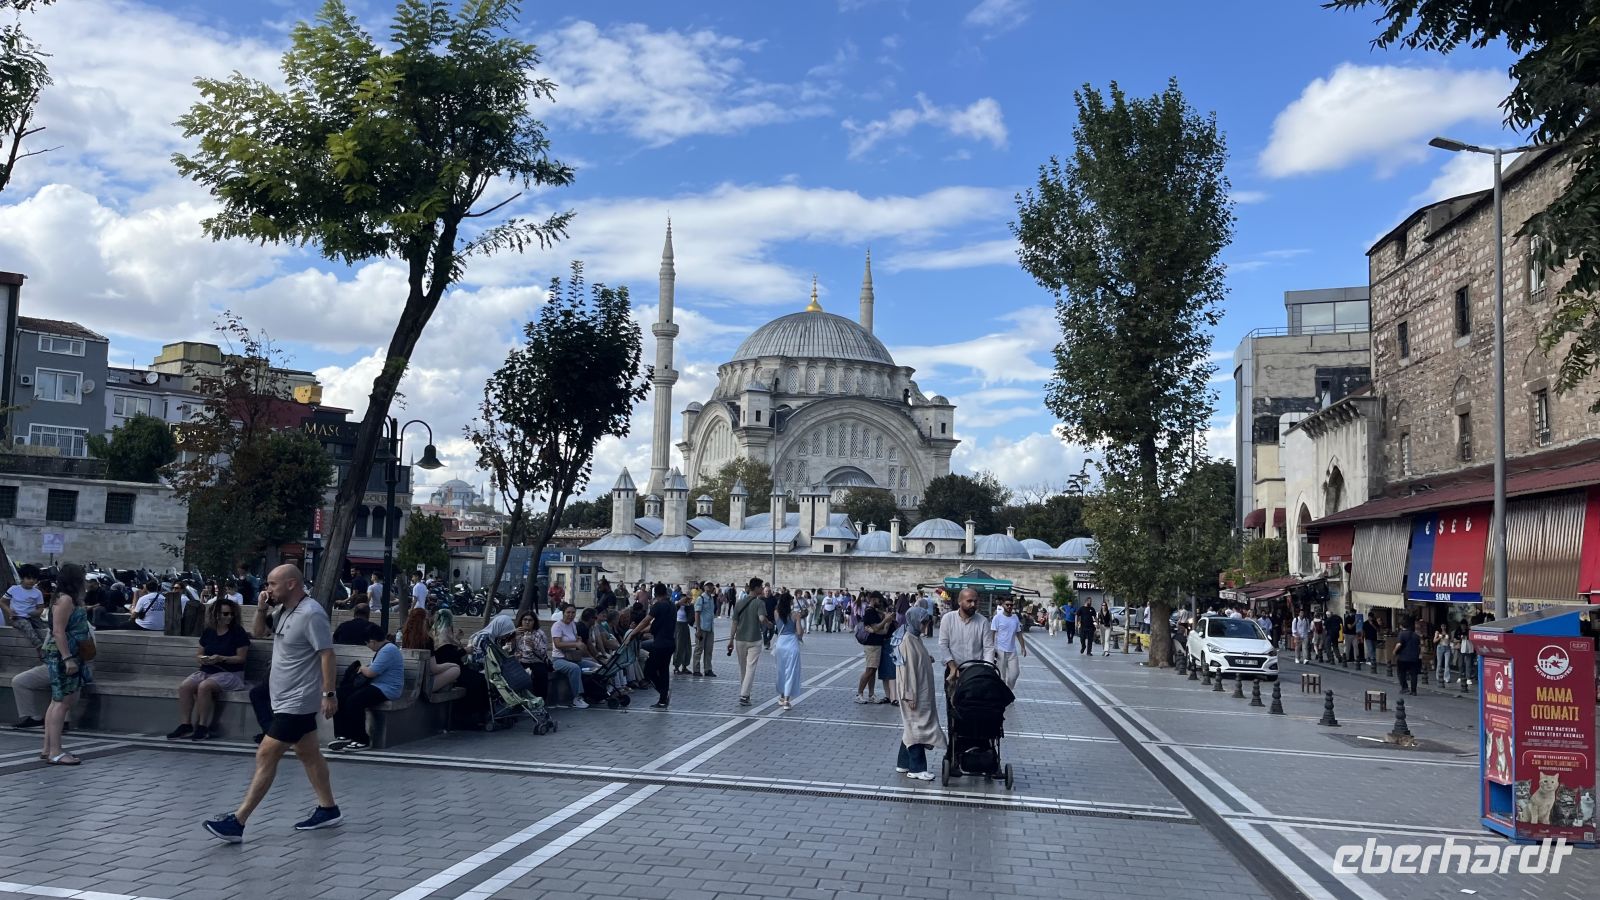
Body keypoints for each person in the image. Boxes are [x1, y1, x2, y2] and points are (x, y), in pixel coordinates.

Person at [203, 565, 341, 843]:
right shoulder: (284, 611)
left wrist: (329, 694)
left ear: (291, 584)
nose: (268, 589)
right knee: (308, 753)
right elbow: (257, 633)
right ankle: (329, 809)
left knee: (267, 754)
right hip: (282, 696)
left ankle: (238, 822)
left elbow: (327, 654)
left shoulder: (311, 613)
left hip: (298, 700)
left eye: (272, 584)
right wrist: (263, 608)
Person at [167, 598, 251, 741]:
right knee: (185, 686)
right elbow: (199, 653)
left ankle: (203, 726)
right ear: (216, 614)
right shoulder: (209, 632)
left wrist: (221, 658)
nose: (229, 617)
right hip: (208, 670)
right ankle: (185, 724)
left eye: (231, 614)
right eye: (225, 614)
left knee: (204, 686)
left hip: (230, 673)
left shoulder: (238, 632)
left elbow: (241, 658)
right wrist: (202, 658)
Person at [40, 564, 92, 766]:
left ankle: (48, 748)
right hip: (65, 654)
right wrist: (67, 658)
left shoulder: (63, 598)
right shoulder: (65, 600)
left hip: (68, 652)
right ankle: (56, 751)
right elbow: (58, 631)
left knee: (57, 701)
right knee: (62, 703)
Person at [330, 624, 403, 752]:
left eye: (367, 644)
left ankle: (361, 739)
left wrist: (362, 668)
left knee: (355, 701)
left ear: (373, 641)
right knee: (341, 694)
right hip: (377, 685)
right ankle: (344, 733)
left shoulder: (388, 650)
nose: (368, 647)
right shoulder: (384, 649)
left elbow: (370, 672)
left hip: (388, 689)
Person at [895, 605, 944, 780]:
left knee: (911, 726)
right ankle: (917, 768)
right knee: (917, 727)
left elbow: (917, 659)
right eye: (923, 622)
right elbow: (906, 671)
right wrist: (909, 695)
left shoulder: (914, 638)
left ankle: (903, 763)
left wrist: (927, 658)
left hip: (919, 692)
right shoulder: (907, 641)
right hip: (913, 694)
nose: (925, 626)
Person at [626, 583, 677, 709]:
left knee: (649, 671)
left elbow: (645, 621)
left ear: (655, 594)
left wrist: (633, 633)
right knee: (664, 671)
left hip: (660, 644)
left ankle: (663, 694)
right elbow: (657, 625)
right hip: (670, 643)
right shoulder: (672, 605)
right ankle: (662, 700)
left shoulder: (658, 605)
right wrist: (642, 631)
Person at [938, 588, 995, 685]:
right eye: (969, 601)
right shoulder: (948, 619)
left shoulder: (983, 621)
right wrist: (952, 667)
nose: (973, 605)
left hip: (976, 672)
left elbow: (988, 648)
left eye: (975, 601)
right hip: (954, 670)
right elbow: (943, 645)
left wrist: (987, 670)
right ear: (959, 601)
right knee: (953, 699)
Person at [400, 607, 460, 692]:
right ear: (423, 622)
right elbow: (434, 668)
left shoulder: (405, 638)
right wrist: (452, 665)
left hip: (410, 679)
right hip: (425, 684)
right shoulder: (427, 640)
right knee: (455, 670)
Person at [728, 577, 767, 706]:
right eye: (761, 587)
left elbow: (734, 622)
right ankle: (744, 696)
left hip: (739, 639)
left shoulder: (739, 603)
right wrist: (769, 623)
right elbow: (762, 619)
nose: (762, 589)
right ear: (755, 588)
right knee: (751, 668)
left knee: (743, 668)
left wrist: (730, 640)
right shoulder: (759, 603)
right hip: (754, 639)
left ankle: (745, 693)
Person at [855, 593, 894, 704]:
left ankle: (871, 694)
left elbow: (880, 630)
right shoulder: (869, 612)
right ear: (873, 599)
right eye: (879, 600)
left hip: (877, 644)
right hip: (871, 645)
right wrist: (885, 621)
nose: (880, 603)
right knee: (869, 670)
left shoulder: (875, 611)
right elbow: (875, 627)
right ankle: (859, 694)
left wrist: (885, 622)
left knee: (873, 670)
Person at [2, 564, 48, 651]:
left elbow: (41, 608)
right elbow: (2, 602)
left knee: (44, 627)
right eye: (29, 578)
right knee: (26, 625)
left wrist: (37, 612)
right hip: (17, 618)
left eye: (34, 579)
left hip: (32, 617)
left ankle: (51, 647)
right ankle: (40, 647)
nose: (32, 581)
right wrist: (10, 612)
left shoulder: (37, 592)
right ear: (22, 578)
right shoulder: (13, 589)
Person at [772, 591, 804, 709]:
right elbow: (800, 633)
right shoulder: (795, 615)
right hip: (791, 643)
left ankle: (781, 696)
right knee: (790, 671)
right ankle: (786, 700)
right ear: (790, 602)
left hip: (780, 643)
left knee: (781, 670)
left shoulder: (776, 613)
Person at [991, 596, 1027, 690]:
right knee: (1001, 676)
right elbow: (992, 633)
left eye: (1011, 605)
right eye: (1007, 605)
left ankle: (1008, 690)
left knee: (1014, 674)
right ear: (1003, 605)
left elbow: (1019, 633)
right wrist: (991, 649)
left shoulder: (1015, 618)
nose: (1009, 606)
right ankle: (1003, 695)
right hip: (1000, 651)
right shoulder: (997, 618)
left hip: (1012, 651)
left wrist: (1023, 647)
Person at [1392, 615, 1422, 696]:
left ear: (1401, 625)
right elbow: (1419, 647)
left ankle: (1405, 688)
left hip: (1403, 658)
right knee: (1413, 674)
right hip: (1414, 658)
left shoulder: (1402, 634)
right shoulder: (1416, 635)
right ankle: (1414, 691)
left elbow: (1399, 644)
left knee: (1401, 673)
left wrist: (1394, 652)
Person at [692, 582, 717, 677]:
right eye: (708, 585)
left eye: (711, 585)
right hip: (701, 628)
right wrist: (698, 629)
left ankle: (708, 669)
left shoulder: (711, 599)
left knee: (709, 650)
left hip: (710, 628)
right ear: (704, 587)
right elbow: (697, 614)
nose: (709, 587)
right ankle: (696, 669)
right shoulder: (700, 598)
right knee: (699, 649)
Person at [672, 589, 695, 675]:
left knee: (687, 647)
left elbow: (691, 618)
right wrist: (679, 603)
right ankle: (676, 667)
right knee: (679, 647)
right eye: (686, 597)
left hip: (685, 626)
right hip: (678, 626)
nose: (687, 599)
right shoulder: (677, 604)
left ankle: (685, 666)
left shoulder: (689, 606)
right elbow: (673, 609)